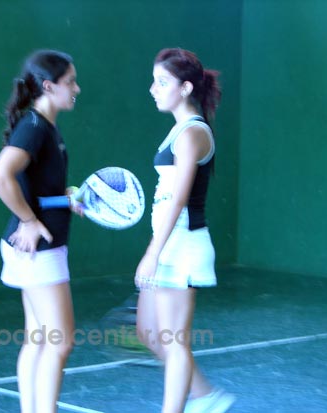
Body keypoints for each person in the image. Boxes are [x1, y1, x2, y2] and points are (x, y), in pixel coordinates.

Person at [135, 48, 235, 413]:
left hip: (184, 246)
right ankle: (206, 396)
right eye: (154, 81)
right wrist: (155, 250)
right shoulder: (178, 130)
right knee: (149, 332)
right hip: (168, 244)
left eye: (162, 82)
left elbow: (178, 199)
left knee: (172, 340)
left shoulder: (193, 133)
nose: (153, 89)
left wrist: (152, 253)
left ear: (186, 88)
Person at [0, 49, 81, 413]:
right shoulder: (35, 127)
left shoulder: (45, 127)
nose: (76, 88)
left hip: (37, 248)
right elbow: (0, 175)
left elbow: (35, 187)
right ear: (48, 86)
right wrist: (28, 221)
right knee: (60, 342)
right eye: (70, 82)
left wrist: (65, 197)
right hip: (38, 251)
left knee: (39, 339)